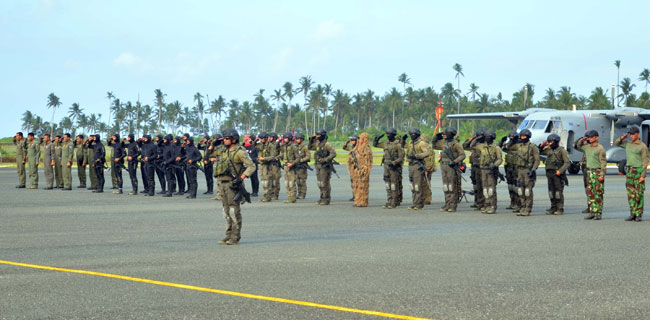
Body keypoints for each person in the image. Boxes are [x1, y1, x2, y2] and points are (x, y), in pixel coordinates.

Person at [215, 129, 256, 245]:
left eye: (227, 138)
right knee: (225, 211)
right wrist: (211, 147)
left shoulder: (240, 152)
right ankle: (228, 235)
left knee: (234, 211)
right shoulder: (224, 150)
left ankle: (235, 236)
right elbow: (211, 156)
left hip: (233, 185)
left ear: (234, 139)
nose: (225, 140)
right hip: (222, 183)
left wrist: (242, 177)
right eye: (224, 138)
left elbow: (251, 166)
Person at [615, 126, 648, 222]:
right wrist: (622, 137)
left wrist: (642, 175)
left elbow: (645, 161)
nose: (631, 135)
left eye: (633, 134)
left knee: (638, 194)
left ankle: (638, 214)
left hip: (638, 171)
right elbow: (617, 143)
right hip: (629, 171)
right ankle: (632, 213)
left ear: (638, 134)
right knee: (630, 194)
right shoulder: (628, 144)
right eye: (630, 134)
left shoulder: (642, 146)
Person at [433, 127, 466, 212]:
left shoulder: (456, 144)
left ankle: (452, 205)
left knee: (451, 186)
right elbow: (434, 146)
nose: (444, 134)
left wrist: (455, 161)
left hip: (451, 166)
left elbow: (462, 155)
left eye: (446, 133)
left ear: (451, 134)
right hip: (443, 165)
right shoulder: (444, 143)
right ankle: (447, 204)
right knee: (446, 186)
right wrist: (436, 138)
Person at [576, 130, 607, 220]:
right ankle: (592, 212)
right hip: (589, 172)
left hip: (597, 172)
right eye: (588, 137)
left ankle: (598, 213)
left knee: (598, 193)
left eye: (591, 137)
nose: (589, 138)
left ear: (596, 137)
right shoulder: (587, 147)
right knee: (590, 193)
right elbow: (578, 146)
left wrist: (602, 174)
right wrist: (582, 140)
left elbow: (603, 162)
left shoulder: (600, 148)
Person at [374, 128, 405, 209]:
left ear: (394, 135)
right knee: (387, 184)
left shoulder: (398, 145)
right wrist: (376, 140)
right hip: (386, 166)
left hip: (394, 167)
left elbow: (401, 157)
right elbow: (375, 145)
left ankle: (394, 201)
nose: (388, 135)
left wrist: (394, 163)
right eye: (387, 134)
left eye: (390, 134)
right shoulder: (385, 144)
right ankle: (389, 200)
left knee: (394, 184)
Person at [539, 134, 570, 215]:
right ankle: (553, 207)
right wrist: (541, 146)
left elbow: (567, 163)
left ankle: (560, 208)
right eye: (549, 142)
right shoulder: (549, 150)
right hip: (549, 173)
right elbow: (539, 152)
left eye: (551, 142)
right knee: (551, 192)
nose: (550, 143)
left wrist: (560, 171)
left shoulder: (562, 151)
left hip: (557, 174)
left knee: (558, 192)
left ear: (556, 142)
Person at [511, 129, 540, 216]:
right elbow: (507, 147)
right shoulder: (519, 146)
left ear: (528, 137)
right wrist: (513, 139)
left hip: (528, 170)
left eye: (524, 136)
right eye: (521, 136)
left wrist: (533, 170)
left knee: (527, 191)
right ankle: (522, 207)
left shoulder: (533, 147)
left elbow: (537, 160)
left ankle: (527, 208)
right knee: (520, 190)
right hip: (519, 170)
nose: (522, 138)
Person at [473, 130, 502, 214]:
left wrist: (494, 165)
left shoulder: (496, 147)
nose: (487, 138)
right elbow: (472, 145)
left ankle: (493, 206)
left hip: (491, 171)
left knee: (491, 189)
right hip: (483, 170)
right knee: (485, 189)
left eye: (489, 137)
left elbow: (500, 159)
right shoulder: (482, 146)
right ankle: (486, 205)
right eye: (486, 137)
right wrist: (478, 138)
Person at [404, 128, 433, 210]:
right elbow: (404, 146)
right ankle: (415, 203)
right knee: (412, 186)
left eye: (414, 134)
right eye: (411, 134)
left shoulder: (421, 143)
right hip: (411, 165)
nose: (412, 135)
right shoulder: (410, 142)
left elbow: (427, 153)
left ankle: (419, 204)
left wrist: (416, 156)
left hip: (418, 165)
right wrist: (403, 140)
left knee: (417, 186)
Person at [308, 129, 337, 205]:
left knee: (324, 183)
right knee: (319, 183)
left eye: (318, 135)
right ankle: (322, 198)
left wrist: (325, 159)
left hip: (324, 166)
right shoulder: (318, 144)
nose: (317, 136)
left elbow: (333, 154)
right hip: (317, 165)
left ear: (323, 135)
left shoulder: (327, 144)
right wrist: (311, 139)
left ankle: (326, 199)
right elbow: (310, 147)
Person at [349, 132, 373, 207]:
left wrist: (364, 169)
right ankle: (357, 200)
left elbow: (368, 161)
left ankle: (363, 201)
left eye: (361, 139)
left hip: (363, 170)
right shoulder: (356, 148)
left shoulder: (367, 149)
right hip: (356, 170)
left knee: (363, 187)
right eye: (359, 139)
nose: (359, 140)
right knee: (356, 186)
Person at [464, 130, 485, 210]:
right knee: (475, 185)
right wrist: (473, 139)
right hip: (474, 166)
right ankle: (476, 201)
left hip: (480, 167)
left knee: (480, 185)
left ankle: (481, 202)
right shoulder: (474, 146)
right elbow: (465, 146)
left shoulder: (484, 145)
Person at [499, 131, 519, 211]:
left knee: (516, 186)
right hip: (508, 167)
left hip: (516, 168)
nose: (511, 139)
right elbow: (500, 147)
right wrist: (502, 141)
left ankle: (517, 203)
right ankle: (512, 202)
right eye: (510, 138)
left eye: (512, 138)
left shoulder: (519, 146)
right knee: (510, 186)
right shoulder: (508, 146)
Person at [257, 132, 280, 202]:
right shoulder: (262, 145)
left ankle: (269, 196)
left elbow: (272, 156)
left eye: (262, 138)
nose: (260, 140)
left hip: (268, 166)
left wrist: (264, 159)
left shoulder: (271, 146)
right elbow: (253, 146)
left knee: (269, 181)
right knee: (263, 182)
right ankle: (266, 196)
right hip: (262, 166)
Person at [281, 132, 300, 203]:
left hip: (291, 167)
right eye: (284, 138)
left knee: (292, 183)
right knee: (287, 183)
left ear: (289, 138)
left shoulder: (294, 147)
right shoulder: (284, 146)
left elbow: (298, 158)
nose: (285, 140)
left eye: (286, 138)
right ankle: (289, 197)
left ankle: (293, 197)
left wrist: (292, 164)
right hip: (286, 166)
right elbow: (282, 155)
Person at [295, 132, 310, 200]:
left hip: (302, 166)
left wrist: (301, 160)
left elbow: (308, 157)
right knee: (297, 181)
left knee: (302, 181)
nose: (297, 140)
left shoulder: (305, 147)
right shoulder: (296, 146)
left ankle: (303, 194)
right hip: (297, 166)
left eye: (298, 139)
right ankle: (299, 193)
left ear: (302, 139)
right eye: (296, 139)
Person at [343, 135, 358, 201]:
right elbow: (344, 148)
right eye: (351, 140)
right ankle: (354, 195)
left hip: (358, 166)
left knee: (358, 182)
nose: (352, 142)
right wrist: (346, 143)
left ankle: (358, 195)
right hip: (352, 167)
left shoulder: (359, 148)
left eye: (353, 140)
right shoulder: (351, 147)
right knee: (352, 182)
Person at [268, 132, 282, 200]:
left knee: (276, 180)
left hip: (275, 164)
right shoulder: (268, 144)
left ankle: (276, 194)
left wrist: (277, 157)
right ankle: (271, 193)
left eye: (271, 137)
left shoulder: (278, 144)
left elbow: (282, 153)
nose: (269, 138)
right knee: (270, 180)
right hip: (269, 163)